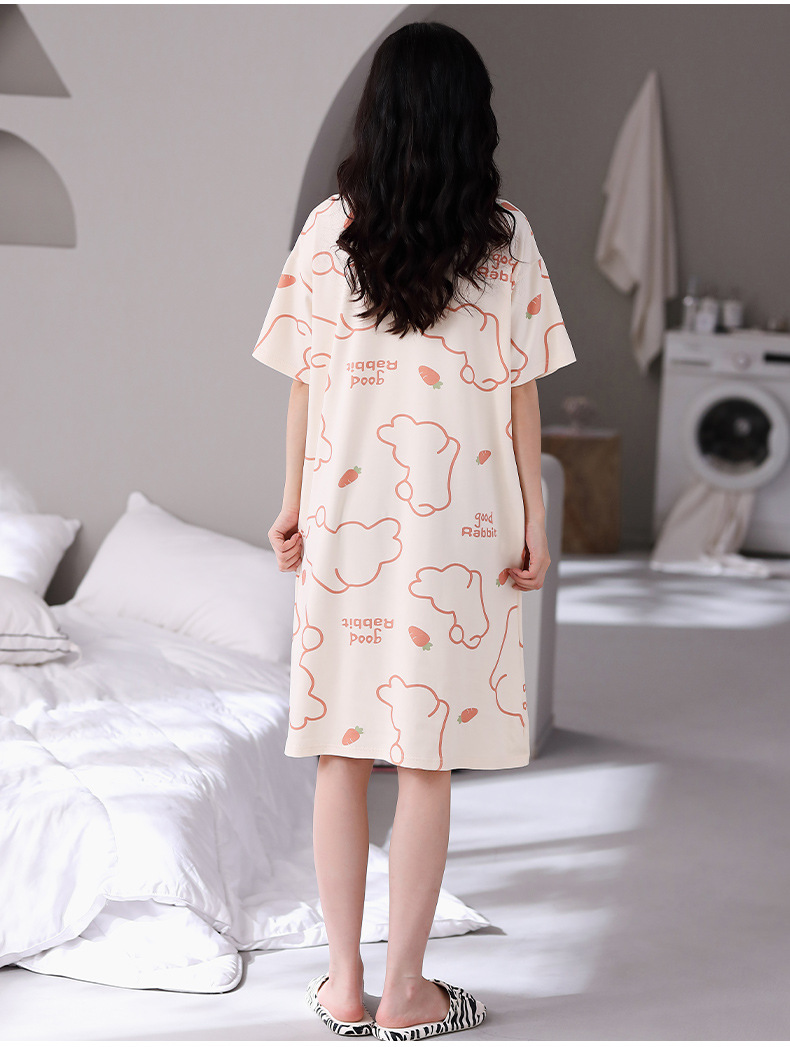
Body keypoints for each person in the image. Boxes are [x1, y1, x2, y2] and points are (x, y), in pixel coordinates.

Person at [251, 21, 576, 1040]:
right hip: (462, 530)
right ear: (472, 122)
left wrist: (292, 501)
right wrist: (533, 517)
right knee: (427, 758)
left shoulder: (328, 232)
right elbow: (520, 395)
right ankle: (406, 994)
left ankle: (343, 988)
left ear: (377, 118)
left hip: (346, 522)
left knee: (341, 751)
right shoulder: (505, 238)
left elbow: (306, 384)